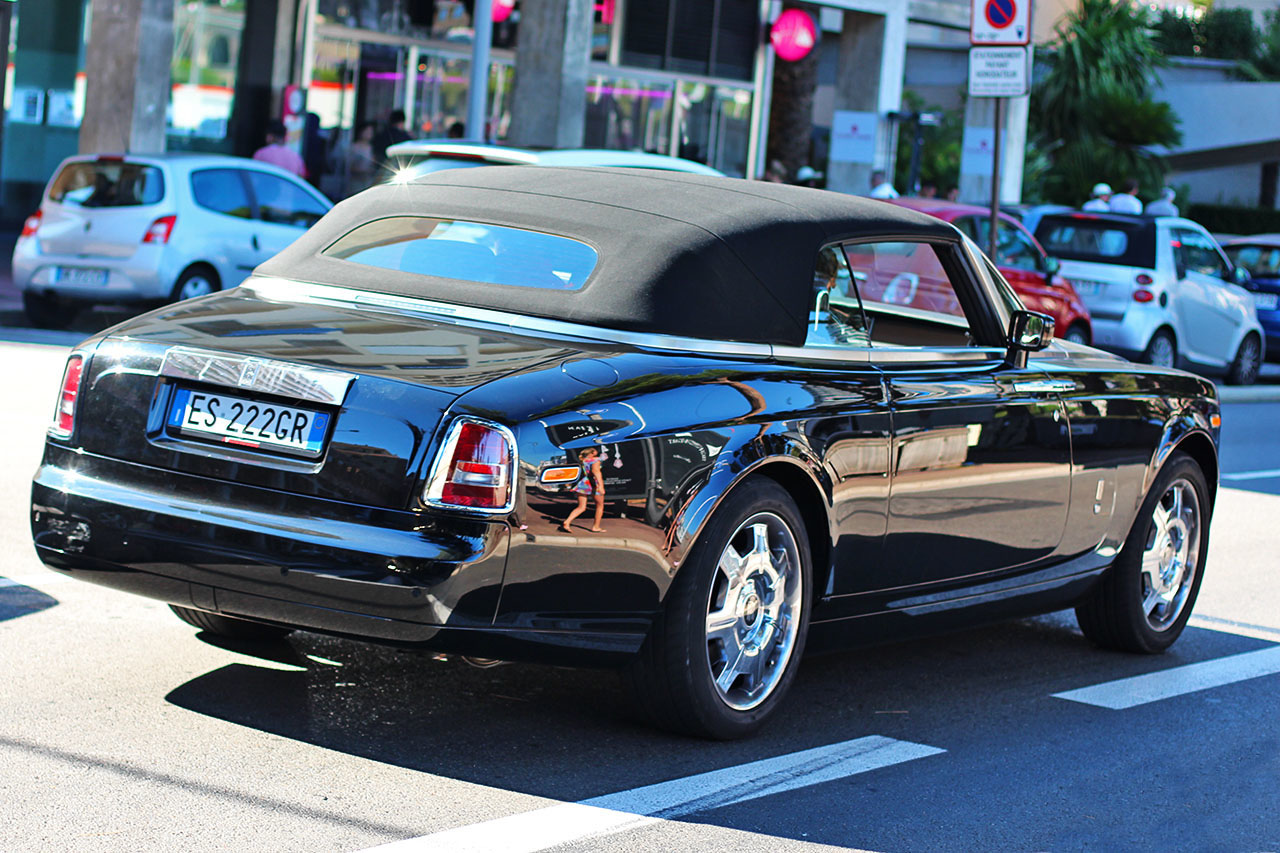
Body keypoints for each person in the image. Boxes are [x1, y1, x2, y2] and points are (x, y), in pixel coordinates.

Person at [561, 447, 605, 533]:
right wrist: (601, 486)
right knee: (600, 505)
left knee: (581, 507)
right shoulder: (596, 460)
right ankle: (596, 526)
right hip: (593, 484)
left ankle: (567, 521)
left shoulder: (583, 460)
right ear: (592, 453)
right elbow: (596, 472)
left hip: (583, 483)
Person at [346, 123, 378, 197]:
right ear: (361, 132)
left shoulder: (370, 148)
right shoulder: (354, 147)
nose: (369, 134)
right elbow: (349, 166)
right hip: (355, 185)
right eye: (367, 131)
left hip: (367, 184)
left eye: (371, 132)